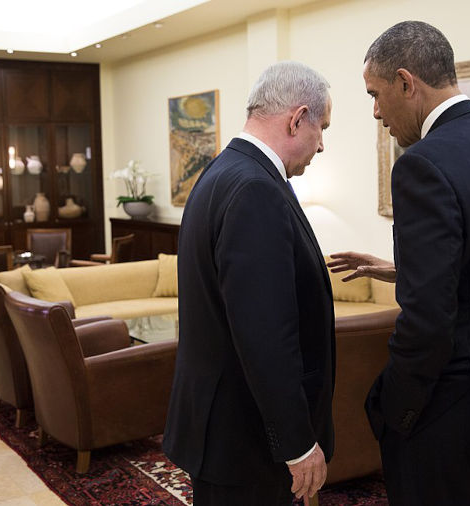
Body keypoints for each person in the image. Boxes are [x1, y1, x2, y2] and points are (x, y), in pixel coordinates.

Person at [328, 21, 470, 505]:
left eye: (375, 94)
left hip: (452, 418)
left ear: (406, 82)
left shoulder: (421, 165)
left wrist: (396, 406)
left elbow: (427, 325)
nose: (376, 112)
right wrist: (405, 267)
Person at [163, 61, 335, 506]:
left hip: (224, 428)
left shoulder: (222, 172)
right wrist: (296, 443)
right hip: (245, 437)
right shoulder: (255, 188)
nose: (322, 146)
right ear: (298, 119)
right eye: (322, 129)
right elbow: (265, 334)